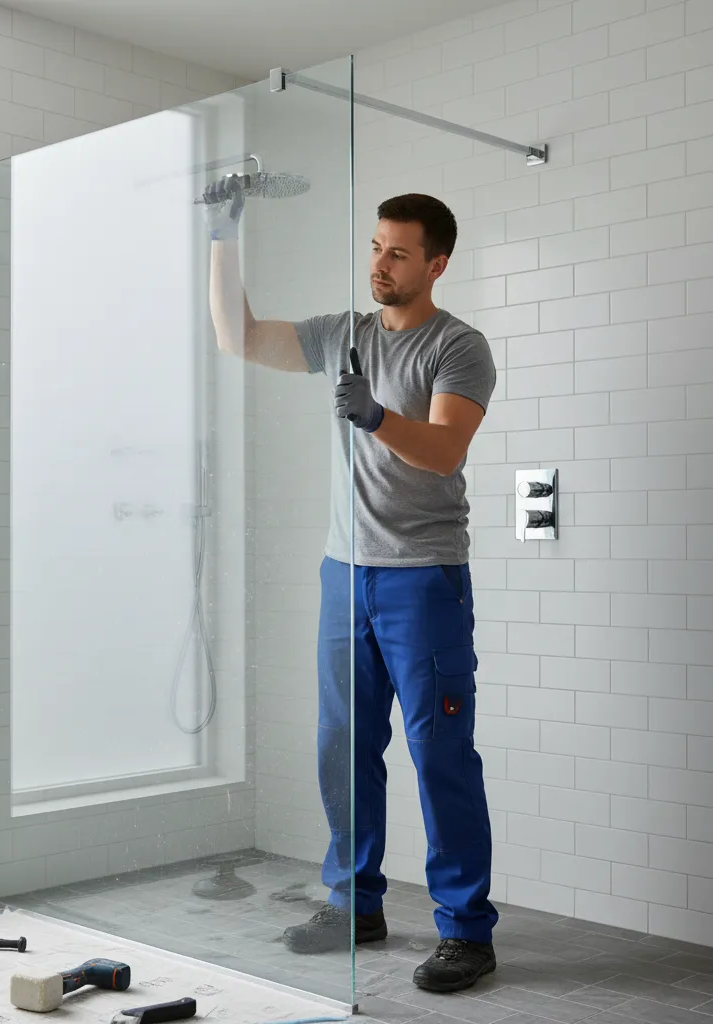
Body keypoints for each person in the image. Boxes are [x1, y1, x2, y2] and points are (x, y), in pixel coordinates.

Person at [204, 185, 498, 993]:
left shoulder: (458, 347)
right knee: (343, 749)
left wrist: (374, 417)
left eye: (399, 252)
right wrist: (223, 233)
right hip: (346, 572)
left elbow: (442, 451)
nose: (380, 263)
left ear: (436, 263)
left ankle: (467, 931)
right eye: (375, 246)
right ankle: (354, 906)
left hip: (423, 578)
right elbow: (238, 335)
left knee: (440, 753)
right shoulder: (346, 334)